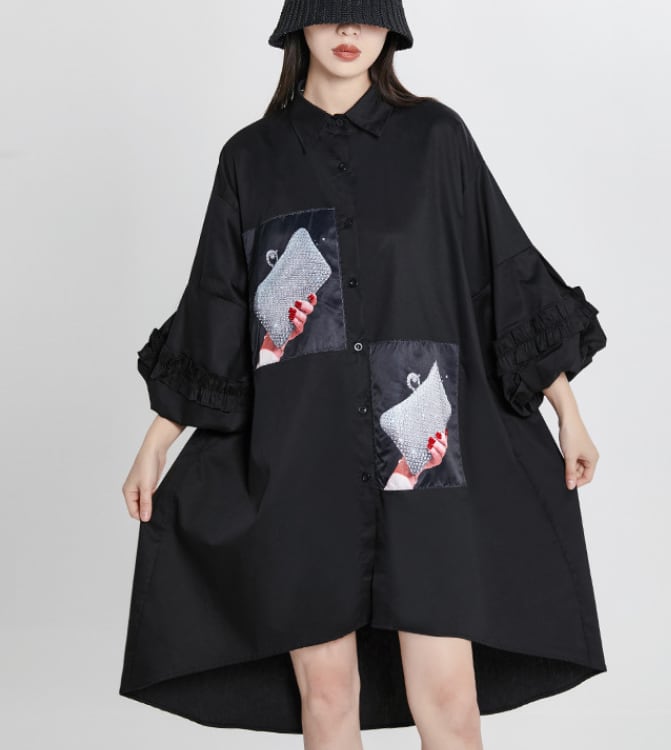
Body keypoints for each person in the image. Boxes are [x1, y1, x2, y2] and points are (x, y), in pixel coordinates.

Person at [119, 2, 609, 747]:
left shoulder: (437, 139)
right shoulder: (252, 158)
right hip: (301, 460)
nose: (349, 32)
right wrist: (158, 439)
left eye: (367, 15)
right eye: (331, 13)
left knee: (448, 696)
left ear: (391, 29)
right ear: (299, 24)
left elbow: (500, 272)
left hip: (426, 460)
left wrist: (566, 410)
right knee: (326, 695)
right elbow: (218, 304)